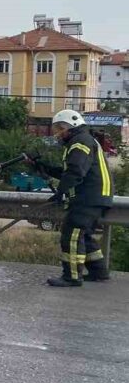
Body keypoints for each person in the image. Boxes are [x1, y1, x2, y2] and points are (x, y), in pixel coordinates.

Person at [31, 109, 113, 286]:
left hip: (88, 197)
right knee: (84, 234)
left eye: (59, 129)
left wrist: (60, 193)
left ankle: (72, 276)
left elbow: (75, 172)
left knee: (72, 234)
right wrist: (43, 167)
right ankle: (99, 271)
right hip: (95, 196)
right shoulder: (82, 141)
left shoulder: (80, 143)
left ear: (69, 126)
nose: (57, 134)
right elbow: (69, 172)